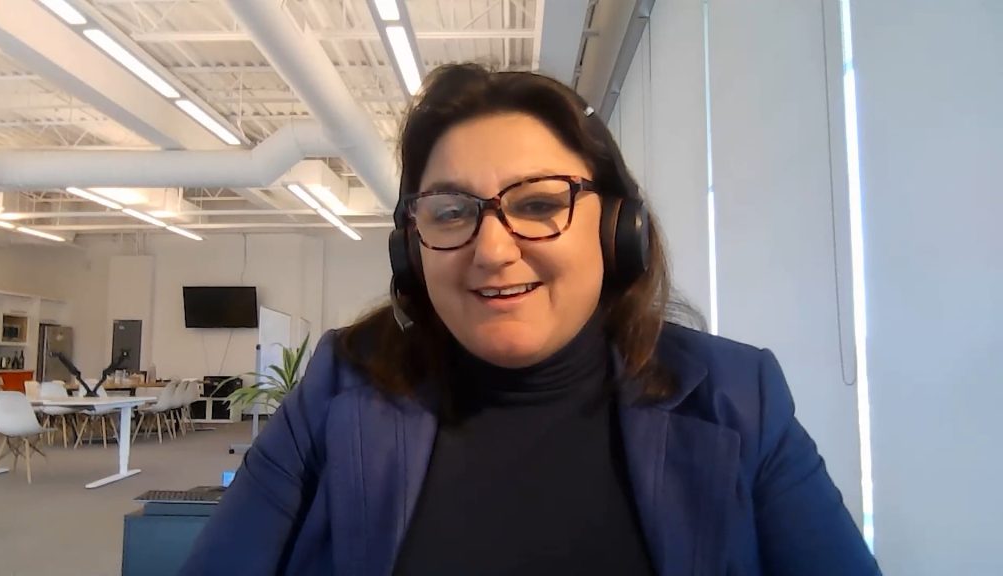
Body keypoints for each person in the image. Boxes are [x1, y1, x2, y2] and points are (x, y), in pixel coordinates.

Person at [180, 64, 880, 576]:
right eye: (450, 212)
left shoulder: (737, 397)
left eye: (540, 204)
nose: (491, 250)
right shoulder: (339, 385)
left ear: (618, 228)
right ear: (411, 247)